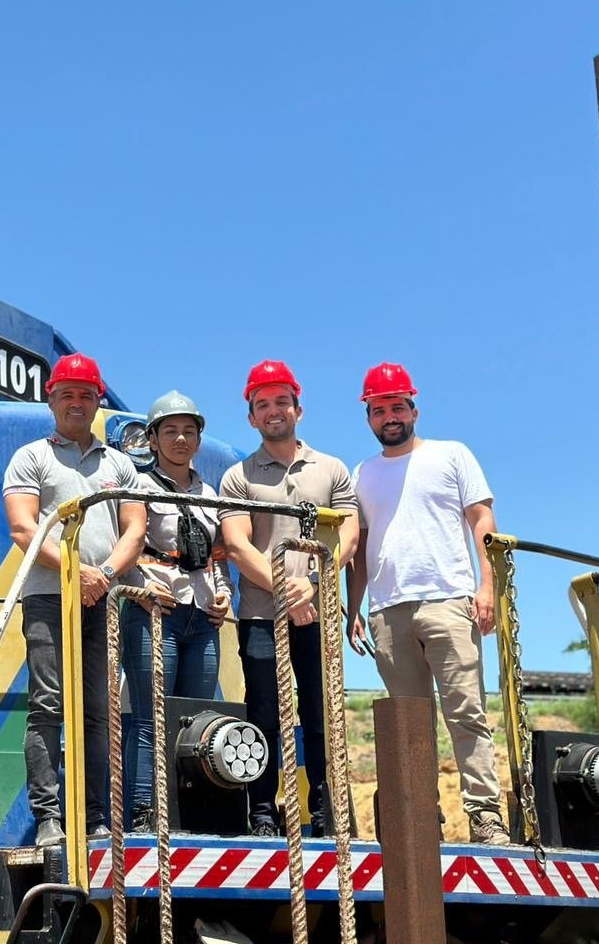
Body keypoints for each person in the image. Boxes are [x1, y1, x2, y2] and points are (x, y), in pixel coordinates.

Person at [345, 362, 511, 845]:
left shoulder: (451, 455)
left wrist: (487, 589)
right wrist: (354, 607)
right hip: (388, 612)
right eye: (379, 409)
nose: (389, 416)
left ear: (414, 408)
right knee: (408, 724)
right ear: (369, 418)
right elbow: (362, 548)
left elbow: (483, 520)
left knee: (466, 713)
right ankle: (421, 819)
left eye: (397, 405)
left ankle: (485, 817)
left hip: (449, 601)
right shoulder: (363, 474)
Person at [3, 352, 146, 847]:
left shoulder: (120, 464)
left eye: (86, 394)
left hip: (105, 600)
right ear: (51, 399)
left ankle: (97, 816)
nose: (77, 402)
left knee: (100, 709)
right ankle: (48, 819)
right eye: (68, 393)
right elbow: (23, 527)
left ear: (98, 401)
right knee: (47, 705)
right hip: (47, 598)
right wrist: (76, 572)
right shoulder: (31, 457)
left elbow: (136, 528)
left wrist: (102, 574)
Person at [218, 360, 359, 837]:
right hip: (261, 616)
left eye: (281, 401)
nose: (273, 410)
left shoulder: (333, 470)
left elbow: (348, 536)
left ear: (298, 407)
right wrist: (287, 589)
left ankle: (323, 812)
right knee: (263, 713)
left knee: (320, 711)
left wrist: (312, 586)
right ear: (251, 418)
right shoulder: (238, 477)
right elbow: (237, 544)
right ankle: (262, 811)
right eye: (263, 404)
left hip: (317, 613)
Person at [121, 391, 233, 832]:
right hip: (155, 614)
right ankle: (145, 812)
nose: (180, 438)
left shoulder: (210, 492)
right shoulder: (137, 486)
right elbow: (127, 544)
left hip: (201, 617)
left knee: (196, 722)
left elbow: (216, 556)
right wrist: (142, 587)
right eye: (170, 430)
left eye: (189, 430)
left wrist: (221, 593)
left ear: (199, 439)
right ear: (152, 439)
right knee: (151, 717)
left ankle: (190, 815)